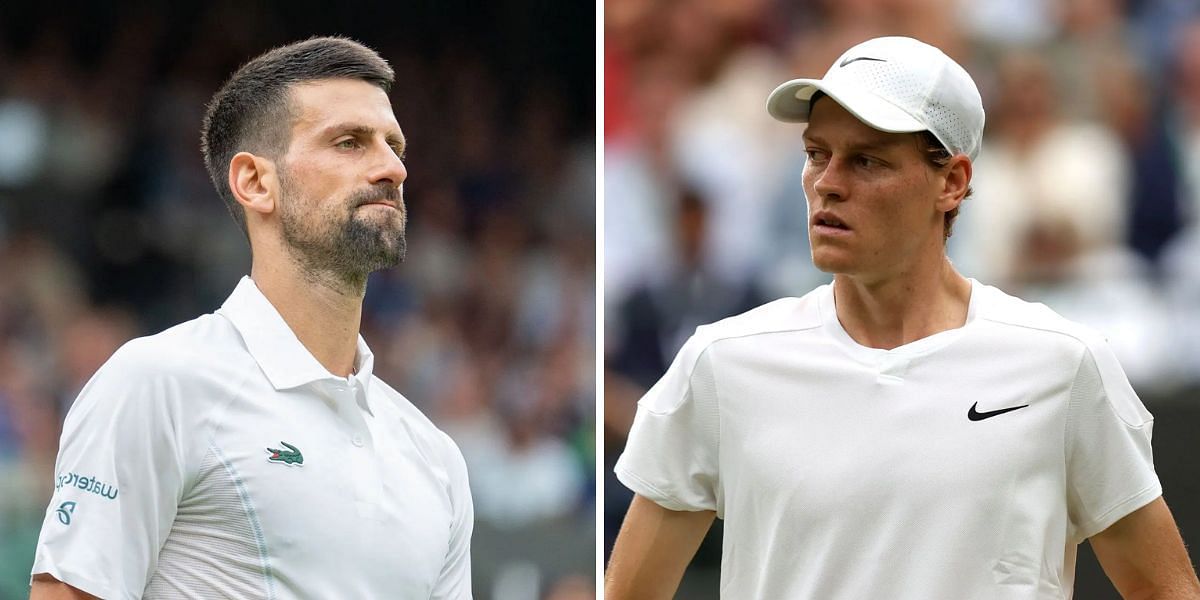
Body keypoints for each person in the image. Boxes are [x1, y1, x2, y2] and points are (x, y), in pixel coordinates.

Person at [606, 36, 1200, 599]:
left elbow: (1165, 587)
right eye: (817, 154)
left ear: (952, 181)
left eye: (866, 161)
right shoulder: (721, 364)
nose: (827, 184)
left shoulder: (1063, 363)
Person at [29, 37, 473, 599]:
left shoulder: (435, 457)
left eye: (394, 146)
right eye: (349, 143)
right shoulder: (157, 382)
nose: (392, 168)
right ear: (255, 182)